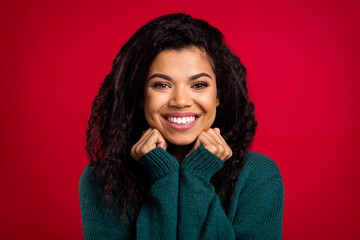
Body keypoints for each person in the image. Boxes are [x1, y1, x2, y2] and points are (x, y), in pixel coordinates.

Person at [79, 13, 284, 239]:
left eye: (198, 84)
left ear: (218, 95)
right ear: (140, 96)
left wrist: (196, 175)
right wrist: (163, 174)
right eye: (162, 84)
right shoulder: (102, 180)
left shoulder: (258, 176)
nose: (180, 101)